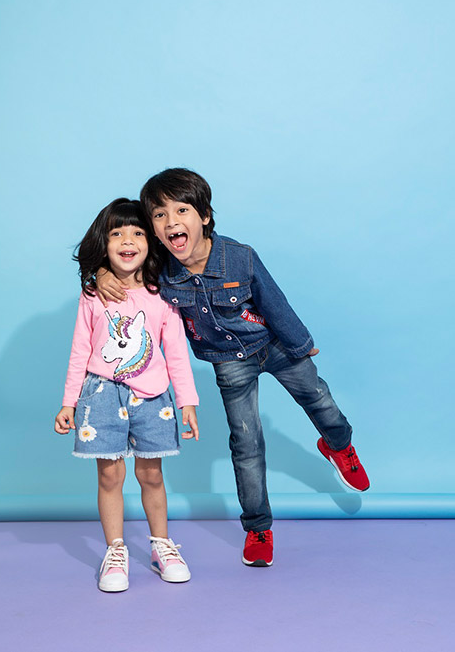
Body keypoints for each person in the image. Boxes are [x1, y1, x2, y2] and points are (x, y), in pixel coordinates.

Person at [97, 170, 370, 568]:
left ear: (205, 216)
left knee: (320, 400)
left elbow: (274, 301)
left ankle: (338, 445)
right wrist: (102, 273)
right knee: (246, 443)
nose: (172, 221)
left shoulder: (239, 256)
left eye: (182, 210)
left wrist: (299, 344)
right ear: (153, 230)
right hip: (228, 363)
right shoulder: (160, 271)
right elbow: (123, 267)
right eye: (159, 215)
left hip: (273, 345)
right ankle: (258, 527)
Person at [54, 197, 199, 592]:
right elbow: (79, 351)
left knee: (151, 473)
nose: (128, 241)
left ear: (151, 242)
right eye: (117, 233)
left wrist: (187, 401)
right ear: (104, 242)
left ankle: (161, 545)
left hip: (153, 398)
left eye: (137, 232)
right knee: (110, 475)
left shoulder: (162, 294)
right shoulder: (93, 295)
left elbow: (176, 352)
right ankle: (115, 551)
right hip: (100, 397)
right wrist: (69, 402)